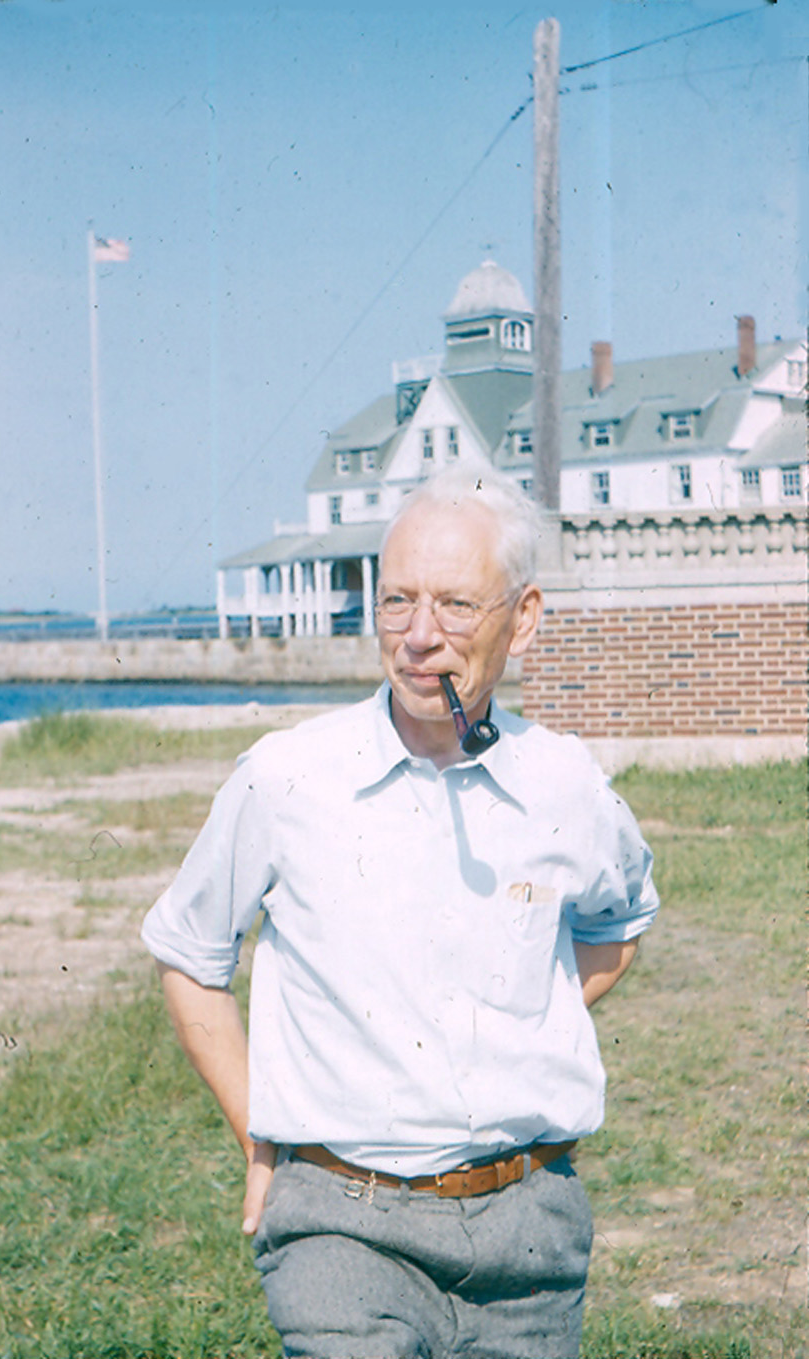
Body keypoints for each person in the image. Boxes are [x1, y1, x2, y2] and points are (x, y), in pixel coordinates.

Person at [141, 463, 659, 1359]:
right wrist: (259, 1127)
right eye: (396, 602)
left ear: (524, 618)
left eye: (456, 605)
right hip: (340, 1226)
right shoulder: (286, 775)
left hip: (529, 1229)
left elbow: (615, 929)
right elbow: (190, 956)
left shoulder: (567, 784)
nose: (420, 637)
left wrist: (504, 1021)